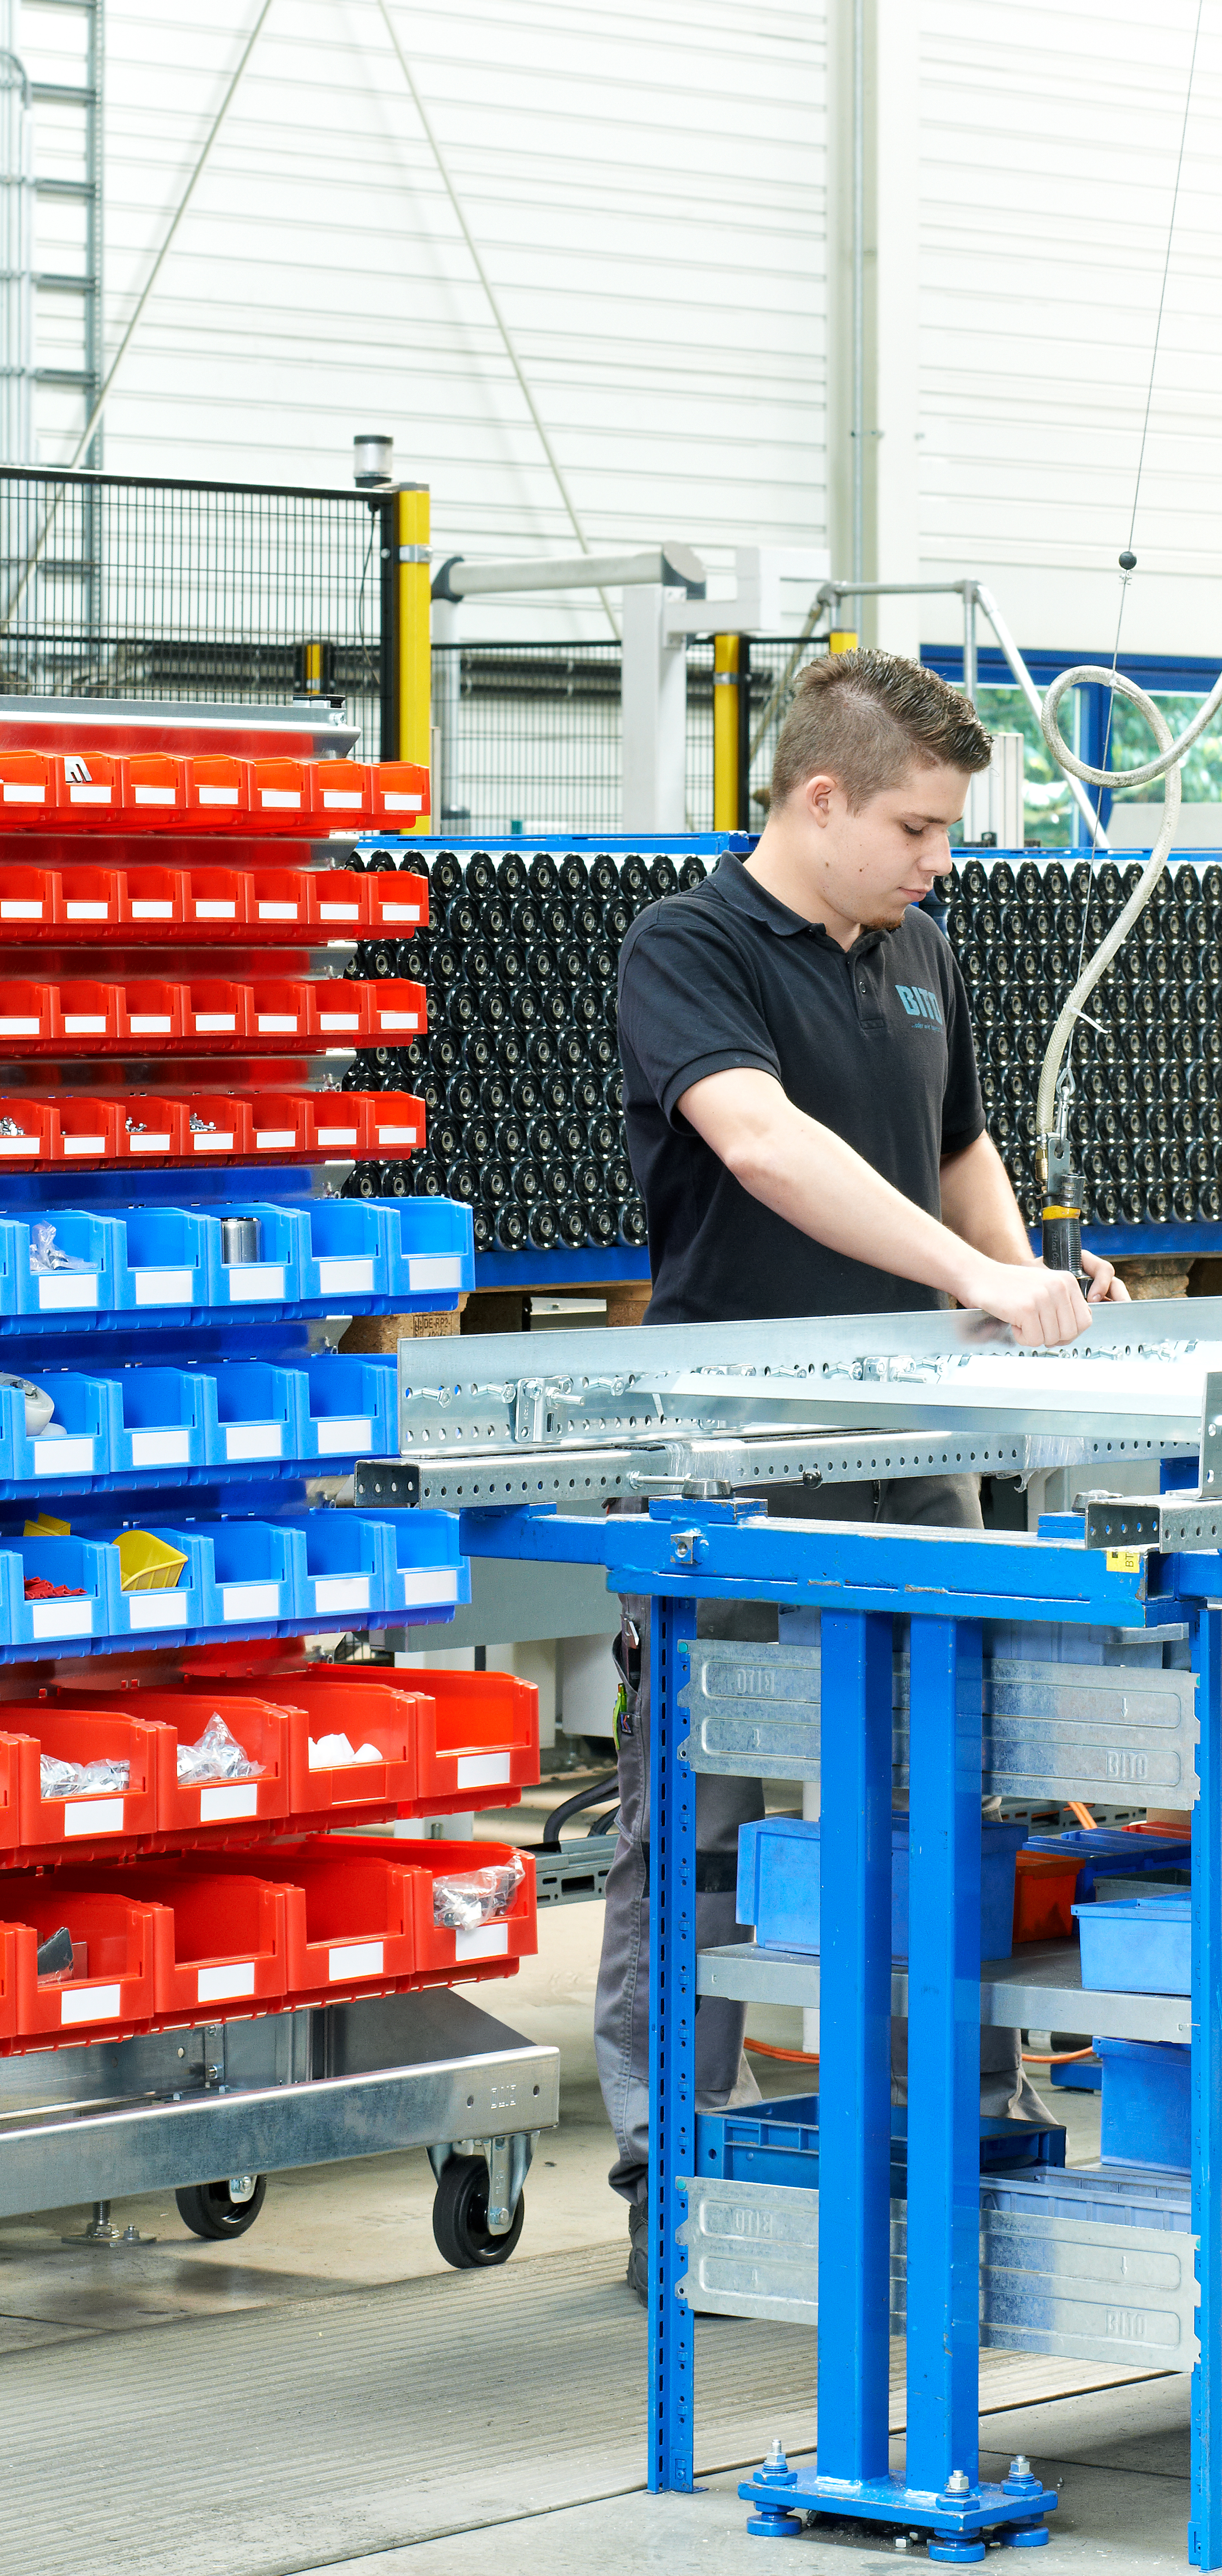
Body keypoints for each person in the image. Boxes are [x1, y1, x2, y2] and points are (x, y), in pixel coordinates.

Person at [596, 646, 1128, 2302]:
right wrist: (970, 1282)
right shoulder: (688, 947)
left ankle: (942, 2138)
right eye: (914, 827)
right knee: (701, 1819)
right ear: (817, 799)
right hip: (741, 1453)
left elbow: (954, 1145)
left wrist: (1027, 1280)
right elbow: (763, 1145)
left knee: (931, 1795)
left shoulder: (917, 950)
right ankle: (673, 2165)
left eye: (946, 830)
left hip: (916, 1451)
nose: (937, 859)